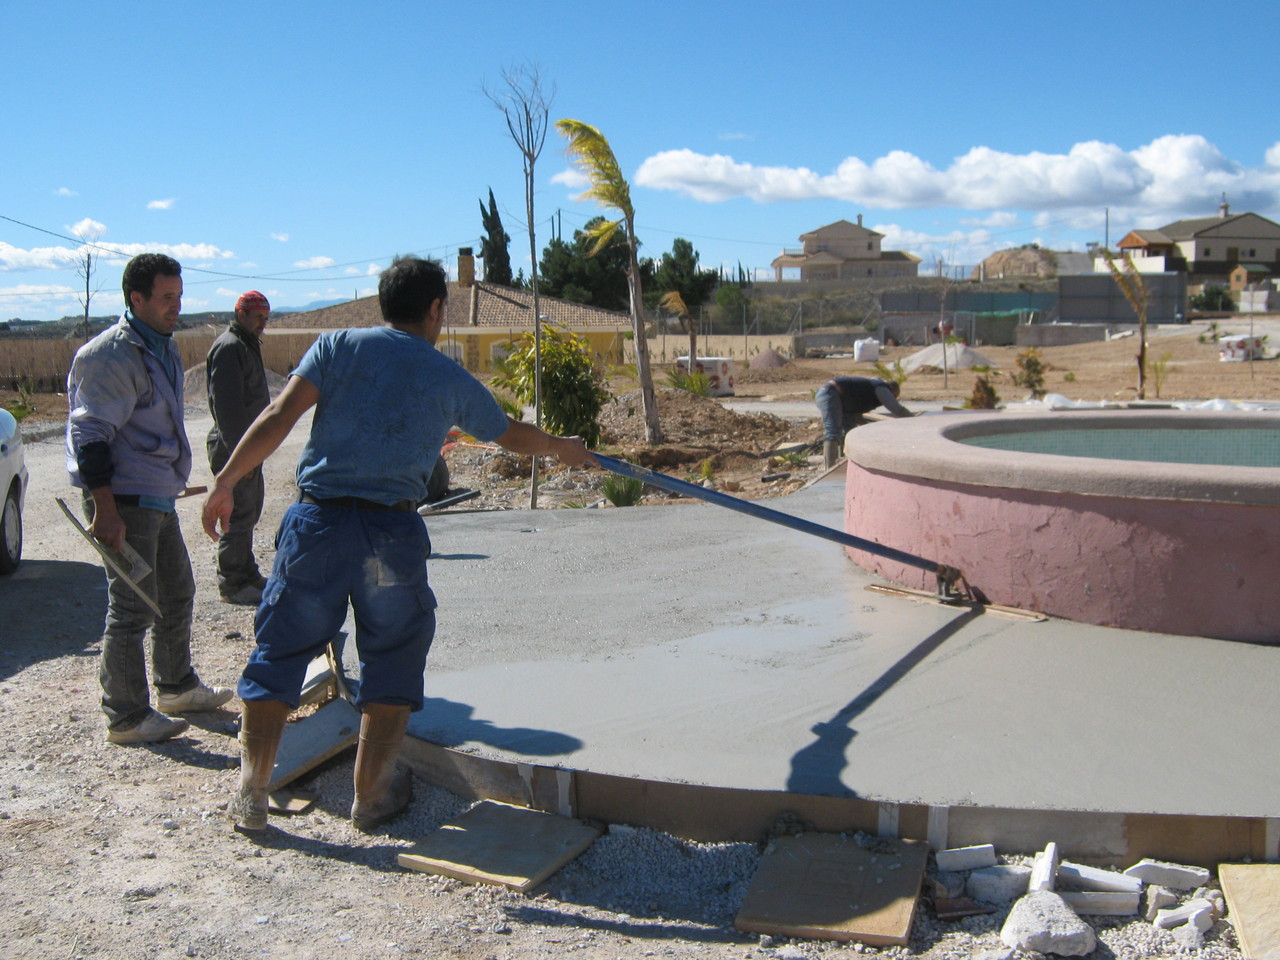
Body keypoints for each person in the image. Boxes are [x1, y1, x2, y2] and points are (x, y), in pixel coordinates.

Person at [202, 255, 597, 833]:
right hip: (390, 534)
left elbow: (279, 415)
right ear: (435, 309)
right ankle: (372, 797)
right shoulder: (447, 377)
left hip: (318, 526)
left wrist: (225, 481)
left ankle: (252, 795)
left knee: (280, 650)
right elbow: (513, 436)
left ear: (385, 303)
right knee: (392, 657)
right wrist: (562, 446)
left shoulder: (336, 345)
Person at [66, 253, 233, 745]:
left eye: (179, 297)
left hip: (153, 497)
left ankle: (176, 686)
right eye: (166, 298)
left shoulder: (159, 347)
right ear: (136, 299)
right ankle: (126, 715)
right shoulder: (110, 355)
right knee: (133, 607)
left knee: (177, 591)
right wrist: (105, 509)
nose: (175, 307)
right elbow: (91, 436)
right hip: (124, 501)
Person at [206, 290, 272, 604]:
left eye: (265, 318)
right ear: (240, 313)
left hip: (248, 448)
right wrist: (239, 460)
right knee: (236, 515)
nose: (262, 324)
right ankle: (232, 583)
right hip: (235, 447)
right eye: (257, 317)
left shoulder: (245, 344)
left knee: (248, 511)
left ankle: (247, 572)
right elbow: (227, 409)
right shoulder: (230, 347)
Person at [814, 376, 914, 467]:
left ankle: (844, 463)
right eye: (894, 396)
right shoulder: (881, 387)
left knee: (849, 431)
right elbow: (897, 409)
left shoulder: (866, 391)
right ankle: (830, 467)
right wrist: (915, 420)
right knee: (832, 432)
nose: (893, 399)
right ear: (892, 390)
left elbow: (857, 418)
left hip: (837, 397)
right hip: (831, 394)